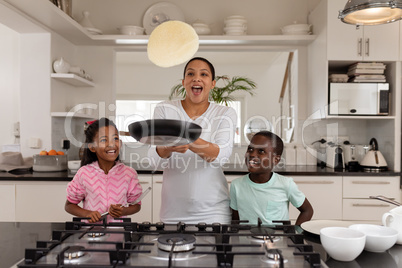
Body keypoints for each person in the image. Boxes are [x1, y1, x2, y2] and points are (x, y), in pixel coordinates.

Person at [148, 57, 237, 224]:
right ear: (184, 82)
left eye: (204, 74)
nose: (196, 78)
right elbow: (155, 162)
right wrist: (168, 148)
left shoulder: (225, 113)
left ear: (212, 83)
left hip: (214, 212)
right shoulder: (165, 109)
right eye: (191, 74)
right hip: (172, 212)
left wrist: (186, 139)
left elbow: (220, 156)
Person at [65, 117, 143, 223]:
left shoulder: (129, 173)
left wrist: (123, 211)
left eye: (115, 138)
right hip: (91, 234)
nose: (111, 144)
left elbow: (136, 205)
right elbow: (69, 205)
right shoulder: (84, 173)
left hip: (119, 233)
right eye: (104, 140)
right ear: (92, 147)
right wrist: (87, 213)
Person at [230, 131, 313, 225]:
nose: (252, 154)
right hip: (245, 239)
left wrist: (295, 233)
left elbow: (307, 210)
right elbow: (235, 220)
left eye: (261, 151)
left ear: (276, 159)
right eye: (250, 149)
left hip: (279, 239)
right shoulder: (236, 185)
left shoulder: (286, 184)